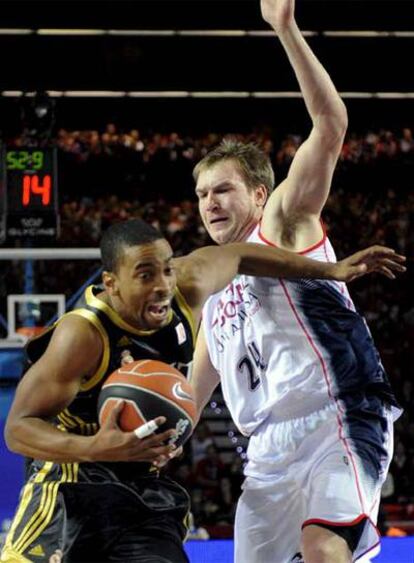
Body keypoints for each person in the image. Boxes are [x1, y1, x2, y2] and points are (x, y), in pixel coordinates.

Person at [2, 219, 400, 562]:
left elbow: (243, 255)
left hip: (139, 483)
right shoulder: (83, 334)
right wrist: (99, 448)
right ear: (112, 283)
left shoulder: (186, 288)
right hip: (71, 482)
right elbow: (18, 429)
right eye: (145, 274)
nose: (162, 285)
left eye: (166, 269)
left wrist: (329, 271)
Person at [191, 1, 406, 562]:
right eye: (201, 195)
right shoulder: (211, 299)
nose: (209, 203)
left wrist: (284, 27)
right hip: (264, 454)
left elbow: (332, 124)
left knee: (321, 546)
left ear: (259, 195)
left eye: (222, 190)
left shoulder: (280, 222)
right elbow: (190, 396)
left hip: (338, 411)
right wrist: (138, 444)